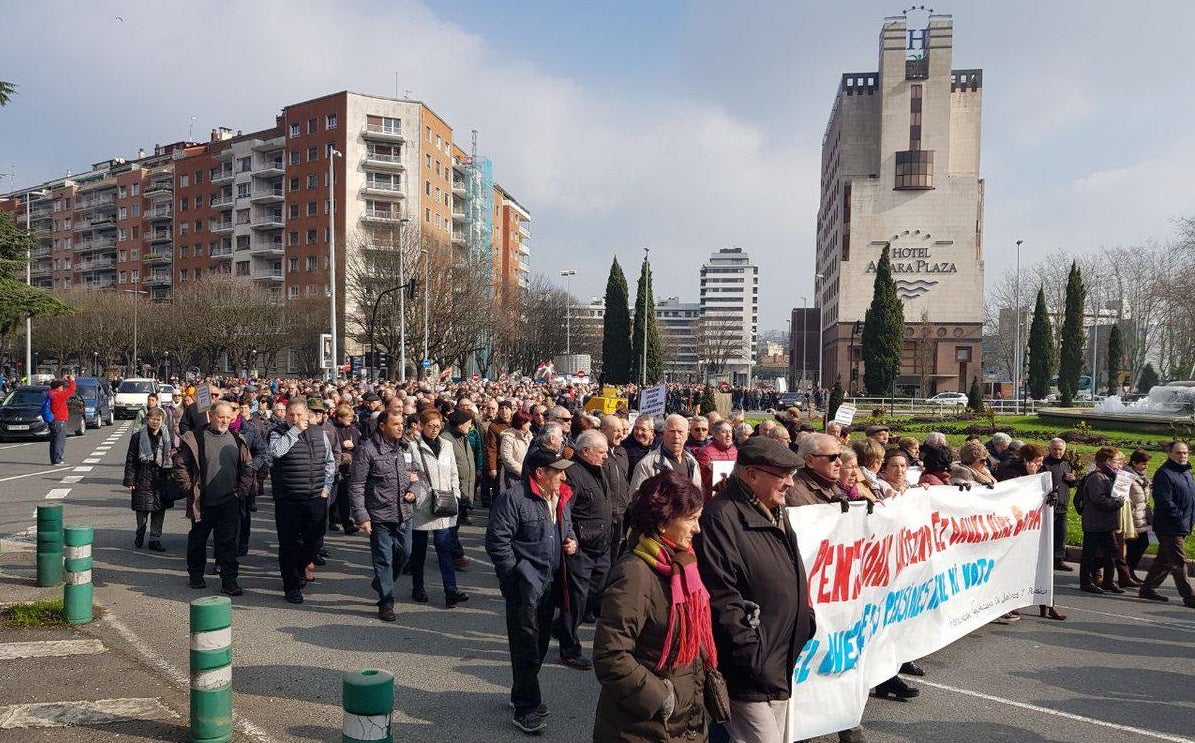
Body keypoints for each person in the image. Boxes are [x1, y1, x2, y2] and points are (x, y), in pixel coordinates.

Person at [695, 437, 816, 743]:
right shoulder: (720, 518)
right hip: (750, 668)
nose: (790, 483)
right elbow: (722, 597)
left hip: (777, 659)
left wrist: (806, 621)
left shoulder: (775, 511)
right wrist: (752, 654)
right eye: (782, 475)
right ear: (751, 475)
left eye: (791, 475)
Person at [592, 471, 713, 743]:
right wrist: (663, 699)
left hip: (685, 722)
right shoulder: (635, 573)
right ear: (663, 522)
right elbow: (610, 654)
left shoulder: (682, 565)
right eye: (691, 520)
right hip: (644, 728)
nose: (698, 529)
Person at [485, 449, 578, 734]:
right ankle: (525, 707)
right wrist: (515, 576)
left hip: (551, 583)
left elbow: (568, 528)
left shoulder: (560, 497)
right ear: (540, 473)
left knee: (538, 645)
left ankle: (521, 694)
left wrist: (571, 541)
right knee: (525, 645)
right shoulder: (513, 499)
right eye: (557, 471)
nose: (563, 476)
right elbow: (497, 542)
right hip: (524, 585)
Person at [173, 401, 254, 596]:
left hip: (230, 500)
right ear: (211, 416)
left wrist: (241, 491)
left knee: (227, 542)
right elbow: (180, 465)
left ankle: (229, 581)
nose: (225, 421)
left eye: (228, 417)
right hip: (204, 501)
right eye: (221, 417)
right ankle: (196, 575)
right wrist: (189, 489)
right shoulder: (195, 437)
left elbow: (248, 467)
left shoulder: (237, 438)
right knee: (198, 540)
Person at [349, 410, 417, 622]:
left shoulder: (406, 447)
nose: (400, 427)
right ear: (382, 426)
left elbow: (417, 477)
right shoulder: (368, 450)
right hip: (379, 515)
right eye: (395, 424)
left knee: (405, 554)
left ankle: (381, 581)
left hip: (404, 513)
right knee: (384, 560)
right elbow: (357, 485)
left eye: (401, 424)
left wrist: (415, 492)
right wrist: (362, 516)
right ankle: (386, 602)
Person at [555, 429, 613, 671]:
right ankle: (569, 649)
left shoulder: (598, 469)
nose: (606, 456)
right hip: (580, 548)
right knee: (575, 600)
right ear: (586, 451)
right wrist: (570, 538)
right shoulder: (571, 473)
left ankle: (560, 627)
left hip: (602, 545)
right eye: (601, 452)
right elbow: (564, 509)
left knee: (597, 592)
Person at [268, 399, 336, 605]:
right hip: (288, 497)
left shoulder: (319, 433)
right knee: (289, 544)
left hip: (315, 496)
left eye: (299, 415)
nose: (295, 418)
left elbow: (329, 461)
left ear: (307, 414)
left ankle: (300, 568)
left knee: (314, 541)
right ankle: (291, 586)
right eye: (291, 415)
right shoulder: (278, 432)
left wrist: (326, 489)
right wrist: (293, 431)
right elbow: (276, 452)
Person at [407, 408, 468, 608]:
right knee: (419, 550)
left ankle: (450, 590)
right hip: (422, 503)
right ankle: (418, 586)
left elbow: (453, 473)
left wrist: (456, 495)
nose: (434, 430)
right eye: (430, 426)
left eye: (438, 426)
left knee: (444, 547)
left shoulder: (447, 445)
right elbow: (408, 474)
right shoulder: (412, 447)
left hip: (445, 503)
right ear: (421, 426)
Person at [1138, 441, 1194, 607]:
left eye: (1185, 452)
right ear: (1169, 454)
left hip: (1183, 523)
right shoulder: (1164, 473)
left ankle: (1147, 589)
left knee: (1163, 559)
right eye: (1178, 453)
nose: (1183, 456)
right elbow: (1164, 501)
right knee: (1178, 561)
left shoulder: (1186, 472)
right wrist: (1180, 516)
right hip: (1170, 525)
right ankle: (1189, 596)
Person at [122, 406, 174, 551]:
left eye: (158, 419)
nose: (155, 422)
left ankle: (155, 539)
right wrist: (130, 480)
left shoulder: (167, 435)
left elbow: (171, 455)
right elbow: (131, 459)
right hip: (142, 477)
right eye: (152, 419)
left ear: (162, 420)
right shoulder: (138, 436)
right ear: (147, 420)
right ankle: (140, 531)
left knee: (159, 510)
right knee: (142, 511)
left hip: (161, 477)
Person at [1076, 447, 1126, 596]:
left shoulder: (1109, 476)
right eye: (1117, 461)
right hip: (1095, 522)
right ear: (1108, 461)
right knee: (1089, 553)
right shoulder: (1097, 477)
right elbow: (1098, 499)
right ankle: (1086, 581)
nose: (1119, 464)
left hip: (1106, 522)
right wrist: (1117, 502)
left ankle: (1108, 581)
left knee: (1112, 551)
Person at [630, 415, 701, 494]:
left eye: (680, 432)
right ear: (663, 433)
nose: (676, 436)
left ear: (687, 435)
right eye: (672, 431)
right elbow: (636, 500)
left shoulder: (692, 463)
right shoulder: (647, 465)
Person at [445, 409, 476, 567]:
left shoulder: (463, 437)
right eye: (468, 424)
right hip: (453, 490)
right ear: (459, 425)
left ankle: (448, 553)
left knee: (453, 526)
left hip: (465, 488)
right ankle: (456, 556)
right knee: (451, 526)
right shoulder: (446, 439)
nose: (470, 427)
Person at [1042, 439, 1077, 571]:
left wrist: (1073, 480)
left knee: (1061, 534)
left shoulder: (1066, 464)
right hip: (1049, 506)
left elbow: (1070, 483)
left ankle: (1058, 560)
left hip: (1063, 505)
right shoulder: (1045, 464)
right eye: (1055, 449)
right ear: (1049, 449)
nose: (1058, 452)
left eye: (1060, 449)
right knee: (1047, 535)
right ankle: (1045, 560)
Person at [786, 433, 846, 507]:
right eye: (832, 458)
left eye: (839, 456)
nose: (840, 463)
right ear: (810, 460)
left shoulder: (828, 482)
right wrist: (831, 509)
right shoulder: (796, 494)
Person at [1123, 449, 1153, 581]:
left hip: (1142, 517)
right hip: (1132, 518)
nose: (1146, 467)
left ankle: (1130, 572)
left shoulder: (1142, 477)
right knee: (1133, 547)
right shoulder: (1126, 476)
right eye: (1143, 464)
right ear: (1134, 463)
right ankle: (1127, 574)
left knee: (1142, 544)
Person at [695, 420, 738, 500]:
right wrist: (709, 470)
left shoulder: (734, 450)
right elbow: (699, 480)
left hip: (733, 497)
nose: (728, 435)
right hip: (713, 499)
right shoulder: (706, 453)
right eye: (724, 432)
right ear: (715, 435)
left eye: (730, 431)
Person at [45, 373, 76, 465]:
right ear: (59, 387)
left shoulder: (51, 394)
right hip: (59, 419)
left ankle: (54, 459)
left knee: (54, 440)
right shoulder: (59, 395)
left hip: (53, 419)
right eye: (62, 386)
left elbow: (65, 389)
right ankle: (58, 459)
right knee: (60, 440)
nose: (63, 388)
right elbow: (71, 390)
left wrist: (65, 380)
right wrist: (72, 381)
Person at [499, 410, 534, 492]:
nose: (530, 424)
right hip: (512, 476)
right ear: (521, 422)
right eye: (528, 422)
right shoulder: (508, 438)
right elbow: (507, 459)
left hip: (527, 476)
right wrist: (523, 471)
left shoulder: (529, 437)